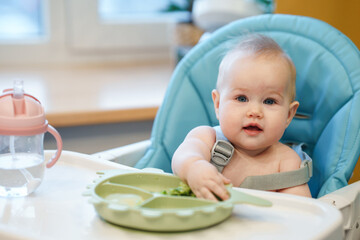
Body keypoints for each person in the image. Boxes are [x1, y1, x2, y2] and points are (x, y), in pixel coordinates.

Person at [171, 34, 312, 201]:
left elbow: (300, 213)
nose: (255, 111)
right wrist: (194, 167)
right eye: (241, 98)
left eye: (269, 101)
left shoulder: (287, 163)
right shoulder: (208, 139)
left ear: (288, 115)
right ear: (218, 105)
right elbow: (182, 157)